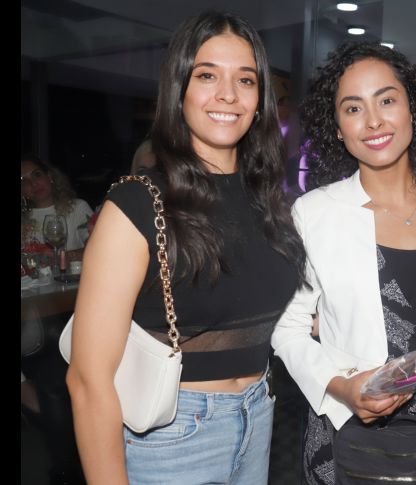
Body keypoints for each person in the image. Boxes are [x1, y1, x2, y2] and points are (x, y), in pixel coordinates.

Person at [64, 11, 306, 485]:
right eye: (207, 75)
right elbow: (88, 380)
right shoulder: (137, 203)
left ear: (260, 101)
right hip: (172, 434)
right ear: (179, 90)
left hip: (260, 417)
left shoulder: (268, 201)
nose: (228, 95)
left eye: (246, 80)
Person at [271, 41, 416, 483]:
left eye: (387, 100)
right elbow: (287, 329)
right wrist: (343, 386)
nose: (373, 121)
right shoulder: (315, 213)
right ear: (338, 126)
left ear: (412, 108)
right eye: (353, 108)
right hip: (349, 441)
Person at [21, 155, 94, 256]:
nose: (33, 183)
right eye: (24, 181)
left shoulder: (77, 208)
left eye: (37, 175)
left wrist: (58, 258)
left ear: (49, 176)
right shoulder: (23, 219)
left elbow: (97, 247)